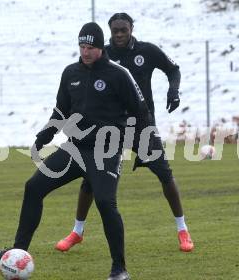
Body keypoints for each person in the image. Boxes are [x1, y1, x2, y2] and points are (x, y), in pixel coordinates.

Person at [0, 22, 153, 280]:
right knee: (34, 187)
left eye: (90, 47)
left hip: (104, 152)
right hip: (75, 149)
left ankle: (119, 269)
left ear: (100, 47)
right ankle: (17, 254)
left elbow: (140, 112)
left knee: (106, 204)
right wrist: (43, 137)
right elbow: (61, 111)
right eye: (82, 46)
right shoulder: (70, 73)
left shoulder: (118, 74)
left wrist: (141, 147)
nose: (85, 52)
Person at [54, 13, 194, 254]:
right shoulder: (102, 55)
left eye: (124, 30)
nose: (119, 35)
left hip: (141, 126)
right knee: (90, 179)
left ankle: (182, 229)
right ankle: (77, 232)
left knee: (164, 173)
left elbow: (174, 70)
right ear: (110, 31)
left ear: (131, 29)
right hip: (108, 129)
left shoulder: (147, 51)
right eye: (115, 30)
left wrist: (174, 91)